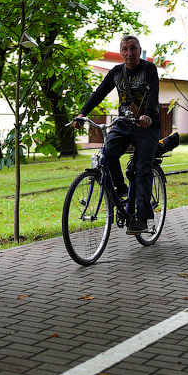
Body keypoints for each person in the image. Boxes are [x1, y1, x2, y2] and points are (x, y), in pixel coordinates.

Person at [73, 35, 160, 234]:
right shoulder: (116, 72)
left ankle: (143, 217)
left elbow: (153, 94)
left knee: (142, 168)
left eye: (133, 48)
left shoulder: (148, 69)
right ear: (121, 52)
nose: (129, 53)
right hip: (123, 124)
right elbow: (99, 93)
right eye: (125, 49)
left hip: (146, 126)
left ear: (139, 50)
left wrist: (147, 115)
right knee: (107, 154)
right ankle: (122, 191)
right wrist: (82, 114)